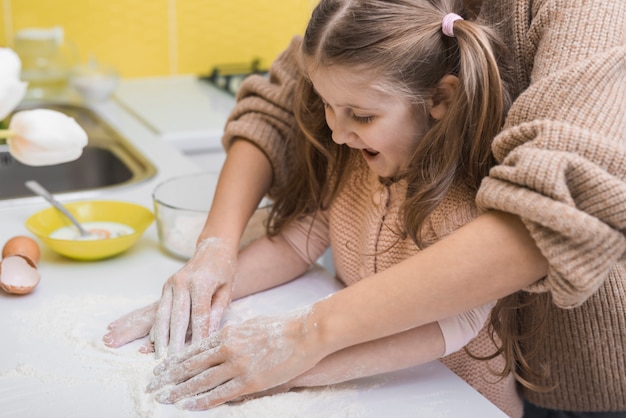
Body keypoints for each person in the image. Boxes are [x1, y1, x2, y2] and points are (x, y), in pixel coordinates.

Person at [103, 0, 626, 416]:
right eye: (328, 106)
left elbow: (485, 288)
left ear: (438, 100)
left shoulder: (461, 195)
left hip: (484, 393)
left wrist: (298, 355)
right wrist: (211, 278)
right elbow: (294, 234)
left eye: (359, 114)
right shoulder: (354, 160)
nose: (334, 129)